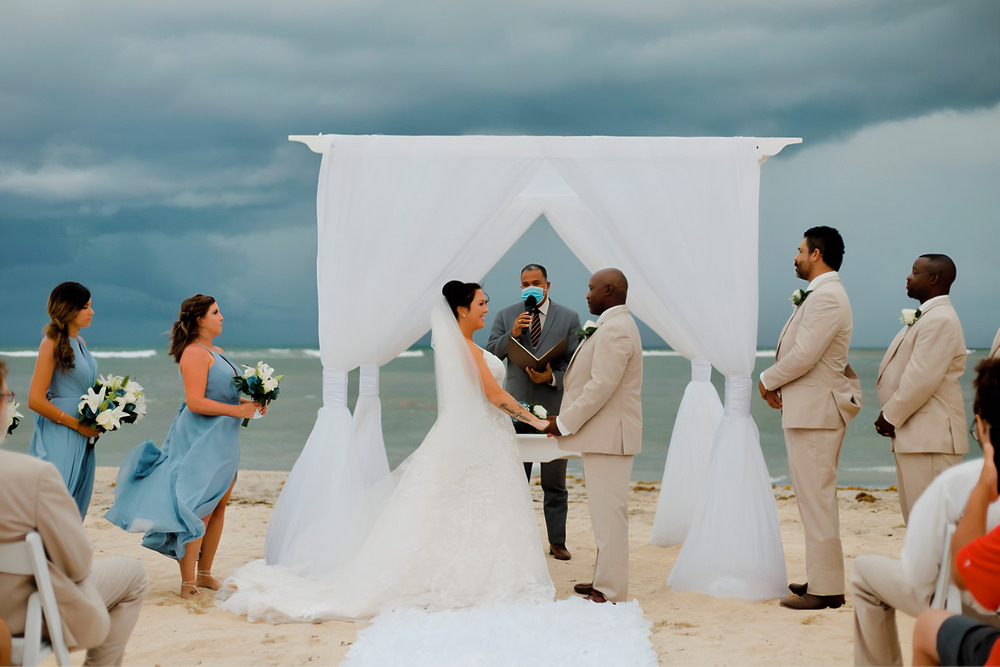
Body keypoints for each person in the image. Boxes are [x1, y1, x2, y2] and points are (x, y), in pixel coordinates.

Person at [217, 282, 555, 621]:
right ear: (462, 310)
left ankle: (481, 568)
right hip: (479, 439)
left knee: (472, 509)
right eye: (481, 303)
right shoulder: (465, 349)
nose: (486, 308)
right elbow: (494, 395)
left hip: (481, 438)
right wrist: (536, 422)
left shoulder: (465, 346)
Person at [104, 295, 265, 599]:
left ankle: (204, 575)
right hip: (201, 440)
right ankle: (187, 582)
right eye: (215, 312)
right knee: (199, 508)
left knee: (218, 507)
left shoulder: (215, 351)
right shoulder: (194, 352)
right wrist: (238, 411)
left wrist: (250, 404)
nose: (221, 317)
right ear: (200, 320)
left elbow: (220, 395)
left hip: (225, 439)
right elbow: (196, 402)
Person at [1, 358, 148, 666]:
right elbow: (78, 565)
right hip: (26, 617)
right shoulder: (34, 476)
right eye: (6, 396)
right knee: (133, 576)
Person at [758, 226, 862, 611]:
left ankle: (827, 588)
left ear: (816, 253)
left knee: (817, 500)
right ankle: (821, 577)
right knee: (811, 499)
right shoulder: (820, 296)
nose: (796, 255)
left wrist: (767, 380)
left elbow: (805, 355)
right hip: (809, 411)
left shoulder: (828, 298)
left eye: (800, 249)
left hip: (818, 414)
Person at [542, 268, 643, 604]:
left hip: (610, 438)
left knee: (609, 516)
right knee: (603, 514)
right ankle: (604, 579)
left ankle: (611, 590)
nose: (586, 294)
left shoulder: (616, 330)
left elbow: (601, 387)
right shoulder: (611, 326)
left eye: (591, 289)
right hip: (603, 437)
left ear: (609, 291)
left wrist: (564, 422)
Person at [852, 458, 1000, 666]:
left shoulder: (955, 482)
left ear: (982, 427)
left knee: (862, 571)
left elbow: (920, 576)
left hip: (965, 609)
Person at [486, 263, 581, 561]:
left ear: (548, 285)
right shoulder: (505, 316)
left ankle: (557, 542)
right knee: (516, 479)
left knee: (555, 481)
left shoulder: (568, 317)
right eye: (525, 282)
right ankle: (515, 542)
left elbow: (576, 364)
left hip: (553, 408)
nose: (531, 286)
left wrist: (552, 377)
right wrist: (512, 335)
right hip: (515, 409)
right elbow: (490, 355)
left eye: (536, 282)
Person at [911, 359, 1000, 666]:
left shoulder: (957, 484)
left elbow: (963, 573)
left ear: (983, 427)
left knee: (927, 624)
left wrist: (982, 492)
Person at [876, 254, 968, 524]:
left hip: (930, 441)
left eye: (915, 272)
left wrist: (889, 416)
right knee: (918, 524)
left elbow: (921, 377)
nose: (908, 277)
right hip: (917, 438)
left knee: (931, 526)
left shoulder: (939, 319)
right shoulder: (927, 316)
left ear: (934, 278)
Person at [27, 282, 102, 519]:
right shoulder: (50, 344)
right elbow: (35, 400)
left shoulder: (81, 344)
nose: (92, 312)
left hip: (83, 432)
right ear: (70, 310)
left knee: (75, 504)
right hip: (61, 432)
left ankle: (62, 555)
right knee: (55, 504)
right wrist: (75, 424)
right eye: (86, 307)